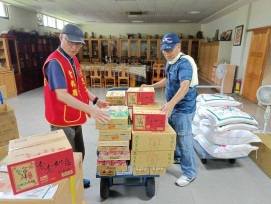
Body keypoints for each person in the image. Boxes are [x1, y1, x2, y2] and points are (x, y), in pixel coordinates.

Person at [43, 24, 111, 188]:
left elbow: (80, 86)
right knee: (67, 158)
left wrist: (96, 100)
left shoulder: (72, 59)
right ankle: (68, 189)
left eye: (78, 44)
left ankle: (77, 180)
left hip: (75, 115)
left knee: (79, 153)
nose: (74, 47)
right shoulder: (54, 63)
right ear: (61, 37)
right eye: (70, 42)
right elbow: (62, 95)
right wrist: (91, 110)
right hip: (61, 118)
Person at [142, 32, 198, 187]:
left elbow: (185, 85)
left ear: (178, 47)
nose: (166, 53)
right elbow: (168, 79)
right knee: (173, 134)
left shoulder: (184, 63)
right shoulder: (170, 62)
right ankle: (178, 157)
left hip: (183, 108)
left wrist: (172, 104)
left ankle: (189, 173)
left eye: (170, 49)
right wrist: (151, 86)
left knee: (184, 140)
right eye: (164, 50)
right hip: (173, 105)